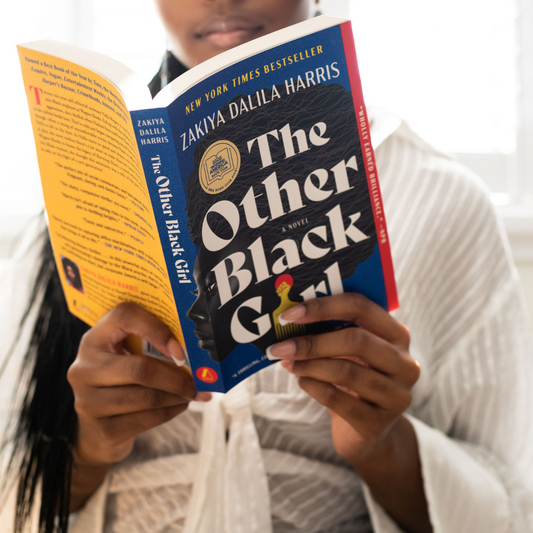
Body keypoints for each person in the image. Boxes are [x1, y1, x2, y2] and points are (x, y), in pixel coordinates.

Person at [1, 1, 532, 533]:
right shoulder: (83, 204)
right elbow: (12, 495)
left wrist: (381, 443)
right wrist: (91, 447)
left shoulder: (441, 198)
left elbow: (507, 506)